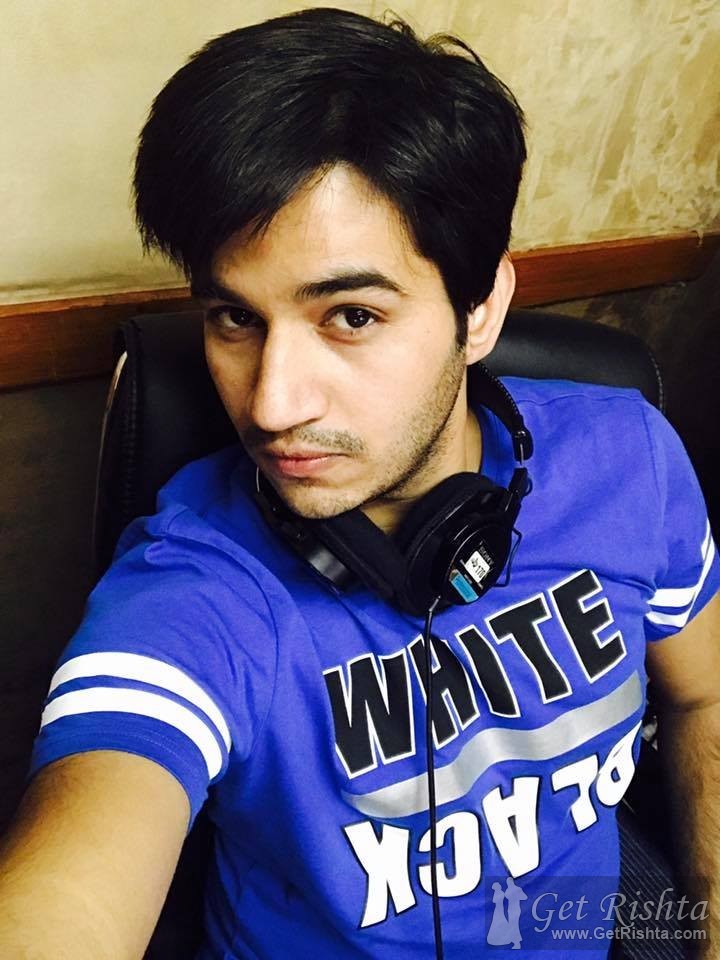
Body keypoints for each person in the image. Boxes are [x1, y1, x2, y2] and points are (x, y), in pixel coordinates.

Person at [1, 7, 719, 959]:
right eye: (234, 317)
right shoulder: (194, 591)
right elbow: (72, 884)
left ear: (479, 309)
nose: (271, 404)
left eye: (350, 315)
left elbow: (705, 698)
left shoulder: (630, 458)